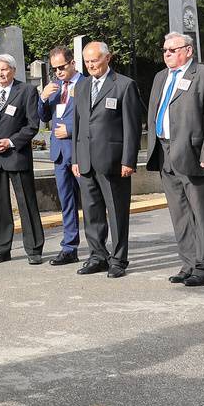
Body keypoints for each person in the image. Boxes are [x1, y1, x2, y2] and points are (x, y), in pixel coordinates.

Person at [146, 33, 204, 287]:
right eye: (165, 50)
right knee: (179, 213)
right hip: (165, 151)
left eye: (172, 50)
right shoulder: (161, 77)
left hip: (194, 153)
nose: (167, 54)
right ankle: (189, 262)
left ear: (188, 50)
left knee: (202, 214)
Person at [71, 40, 143, 278]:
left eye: (95, 60)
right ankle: (97, 255)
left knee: (117, 212)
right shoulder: (81, 87)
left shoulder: (124, 85)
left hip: (113, 160)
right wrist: (75, 158)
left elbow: (132, 127)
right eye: (87, 61)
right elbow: (78, 125)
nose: (91, 65)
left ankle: (119, 259)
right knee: (92, 212)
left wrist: (128, 161)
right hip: (86, 160)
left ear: (107, 58)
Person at [0, 54, 44, 265]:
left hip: (16, 154)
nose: (0, 74)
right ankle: (1, 249)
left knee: (26, 202)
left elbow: (32, 125)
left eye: (4, 69)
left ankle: (34, 249)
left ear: (13, 70)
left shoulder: (26, 91)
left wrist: (10, 142)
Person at [36, 47, 83, 266]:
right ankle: (69, 247)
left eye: (62, 67)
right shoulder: (54, 88)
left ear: (72, 63)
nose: (58, 72)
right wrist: (43, 98)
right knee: (66, 202)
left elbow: (94, 119)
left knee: (91, 202)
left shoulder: (85, 84)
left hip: (79, 152)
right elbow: (44, 116)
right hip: (59, 152)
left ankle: (98, 248)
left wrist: (71, 130)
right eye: (54, 69)